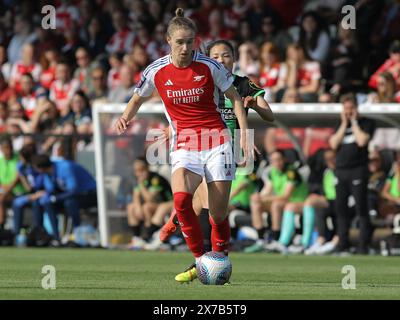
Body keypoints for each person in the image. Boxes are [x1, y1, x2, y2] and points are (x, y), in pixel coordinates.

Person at [115, 8, 251, 283]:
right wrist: (124, 118)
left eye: (190, 41)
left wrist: (244, 136)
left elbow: (235, 98)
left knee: (217, 212)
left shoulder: (209, 67)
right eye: (180, 42)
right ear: (168, 41)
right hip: (185, 143)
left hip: (217, 141)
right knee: (180, 199)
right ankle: (202, 259)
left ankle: (220, 257)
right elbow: (137, 98)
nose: (186, 47)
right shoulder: (156, 71)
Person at [158, 39, 274, 281]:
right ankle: (204, 263)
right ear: (208, 59)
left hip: (225, 151)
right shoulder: (203, 80)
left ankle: (183, 227)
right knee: (200, 206)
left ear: (234, 58)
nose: (222, 61)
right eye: (216, 56)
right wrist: (171, 130)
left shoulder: (243, 85)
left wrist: (255, 106)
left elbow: (269, 115)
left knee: (211, 211)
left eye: (226, 56)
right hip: (198, 146)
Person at [329, 93, 376, 254]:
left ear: (356, 108)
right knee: (340, 209)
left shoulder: (367, 123)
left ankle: (363, 245)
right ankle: (343, 244)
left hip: (358, 170)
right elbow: (333, 144)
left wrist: (354, 122)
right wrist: (344, 124)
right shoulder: (339, 124)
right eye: (346, 108)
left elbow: (362, 141)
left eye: (351, 108)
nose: (348, 111)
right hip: (341, 171)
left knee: (361, 208)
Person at [244, 149, 308, 253]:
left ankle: (275, 239)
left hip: (297, 202)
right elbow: (268, 189)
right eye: (273, 160)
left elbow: (286, 196)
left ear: (284, 159)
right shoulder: (272, 172)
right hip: (283, 202)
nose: (276, 163)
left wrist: (265, 198)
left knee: (276, 205)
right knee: (256, 203)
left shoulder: (291, 172)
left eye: (279, 160)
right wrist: (258, 196)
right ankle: (261, 240)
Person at [31, 154, 97, 244]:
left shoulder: (65, 167)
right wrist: (45, 195)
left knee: (69, 202)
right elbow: (51, 190)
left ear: (40, 168)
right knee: (47, 203)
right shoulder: (47, 173)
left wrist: (55, 198)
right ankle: (55, 237)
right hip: (70, 196)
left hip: (89, 193)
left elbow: (73, 190)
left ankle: (77, 233)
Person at [126, 156, 173, 249]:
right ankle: (137, 238)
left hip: (168, 203)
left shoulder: (155, 179)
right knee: (131, 207)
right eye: (136, 171)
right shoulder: (138, 179)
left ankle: (148, 236)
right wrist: (137, 207)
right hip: (155, 205)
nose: (138, 173)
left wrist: (141, 184)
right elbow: (136, 196)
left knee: (147, 206)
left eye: (141, 170)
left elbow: (150, 198)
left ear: (147, 168)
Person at [0, 137, 26, 230]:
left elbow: (18, 178)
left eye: (9, 148)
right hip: (3, 190)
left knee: (1, 198)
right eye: (5, 148)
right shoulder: (1, 161)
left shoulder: (19, 159)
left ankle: (1, 228)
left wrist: (7, 190)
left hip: (17, 191)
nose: (8, 151)